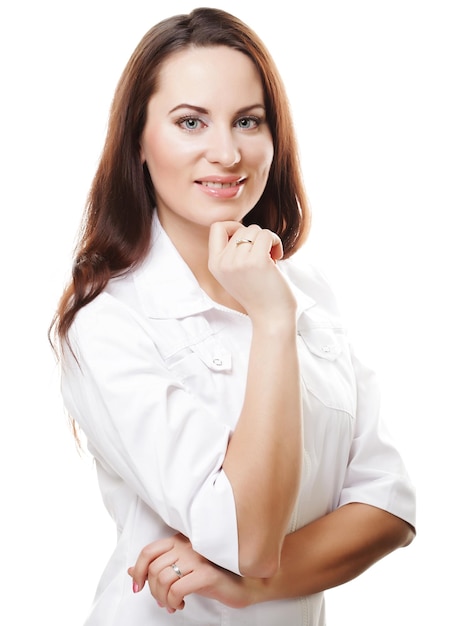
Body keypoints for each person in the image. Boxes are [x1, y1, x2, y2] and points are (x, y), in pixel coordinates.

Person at [49, 7, 416, 625]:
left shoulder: (308, 289)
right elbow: (248, 539)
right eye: (190, 122)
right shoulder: (108, 321)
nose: (227, 152)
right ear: (138, 140)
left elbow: (389, 506)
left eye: (248, 121)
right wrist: (272, 321)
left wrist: (250, 585)